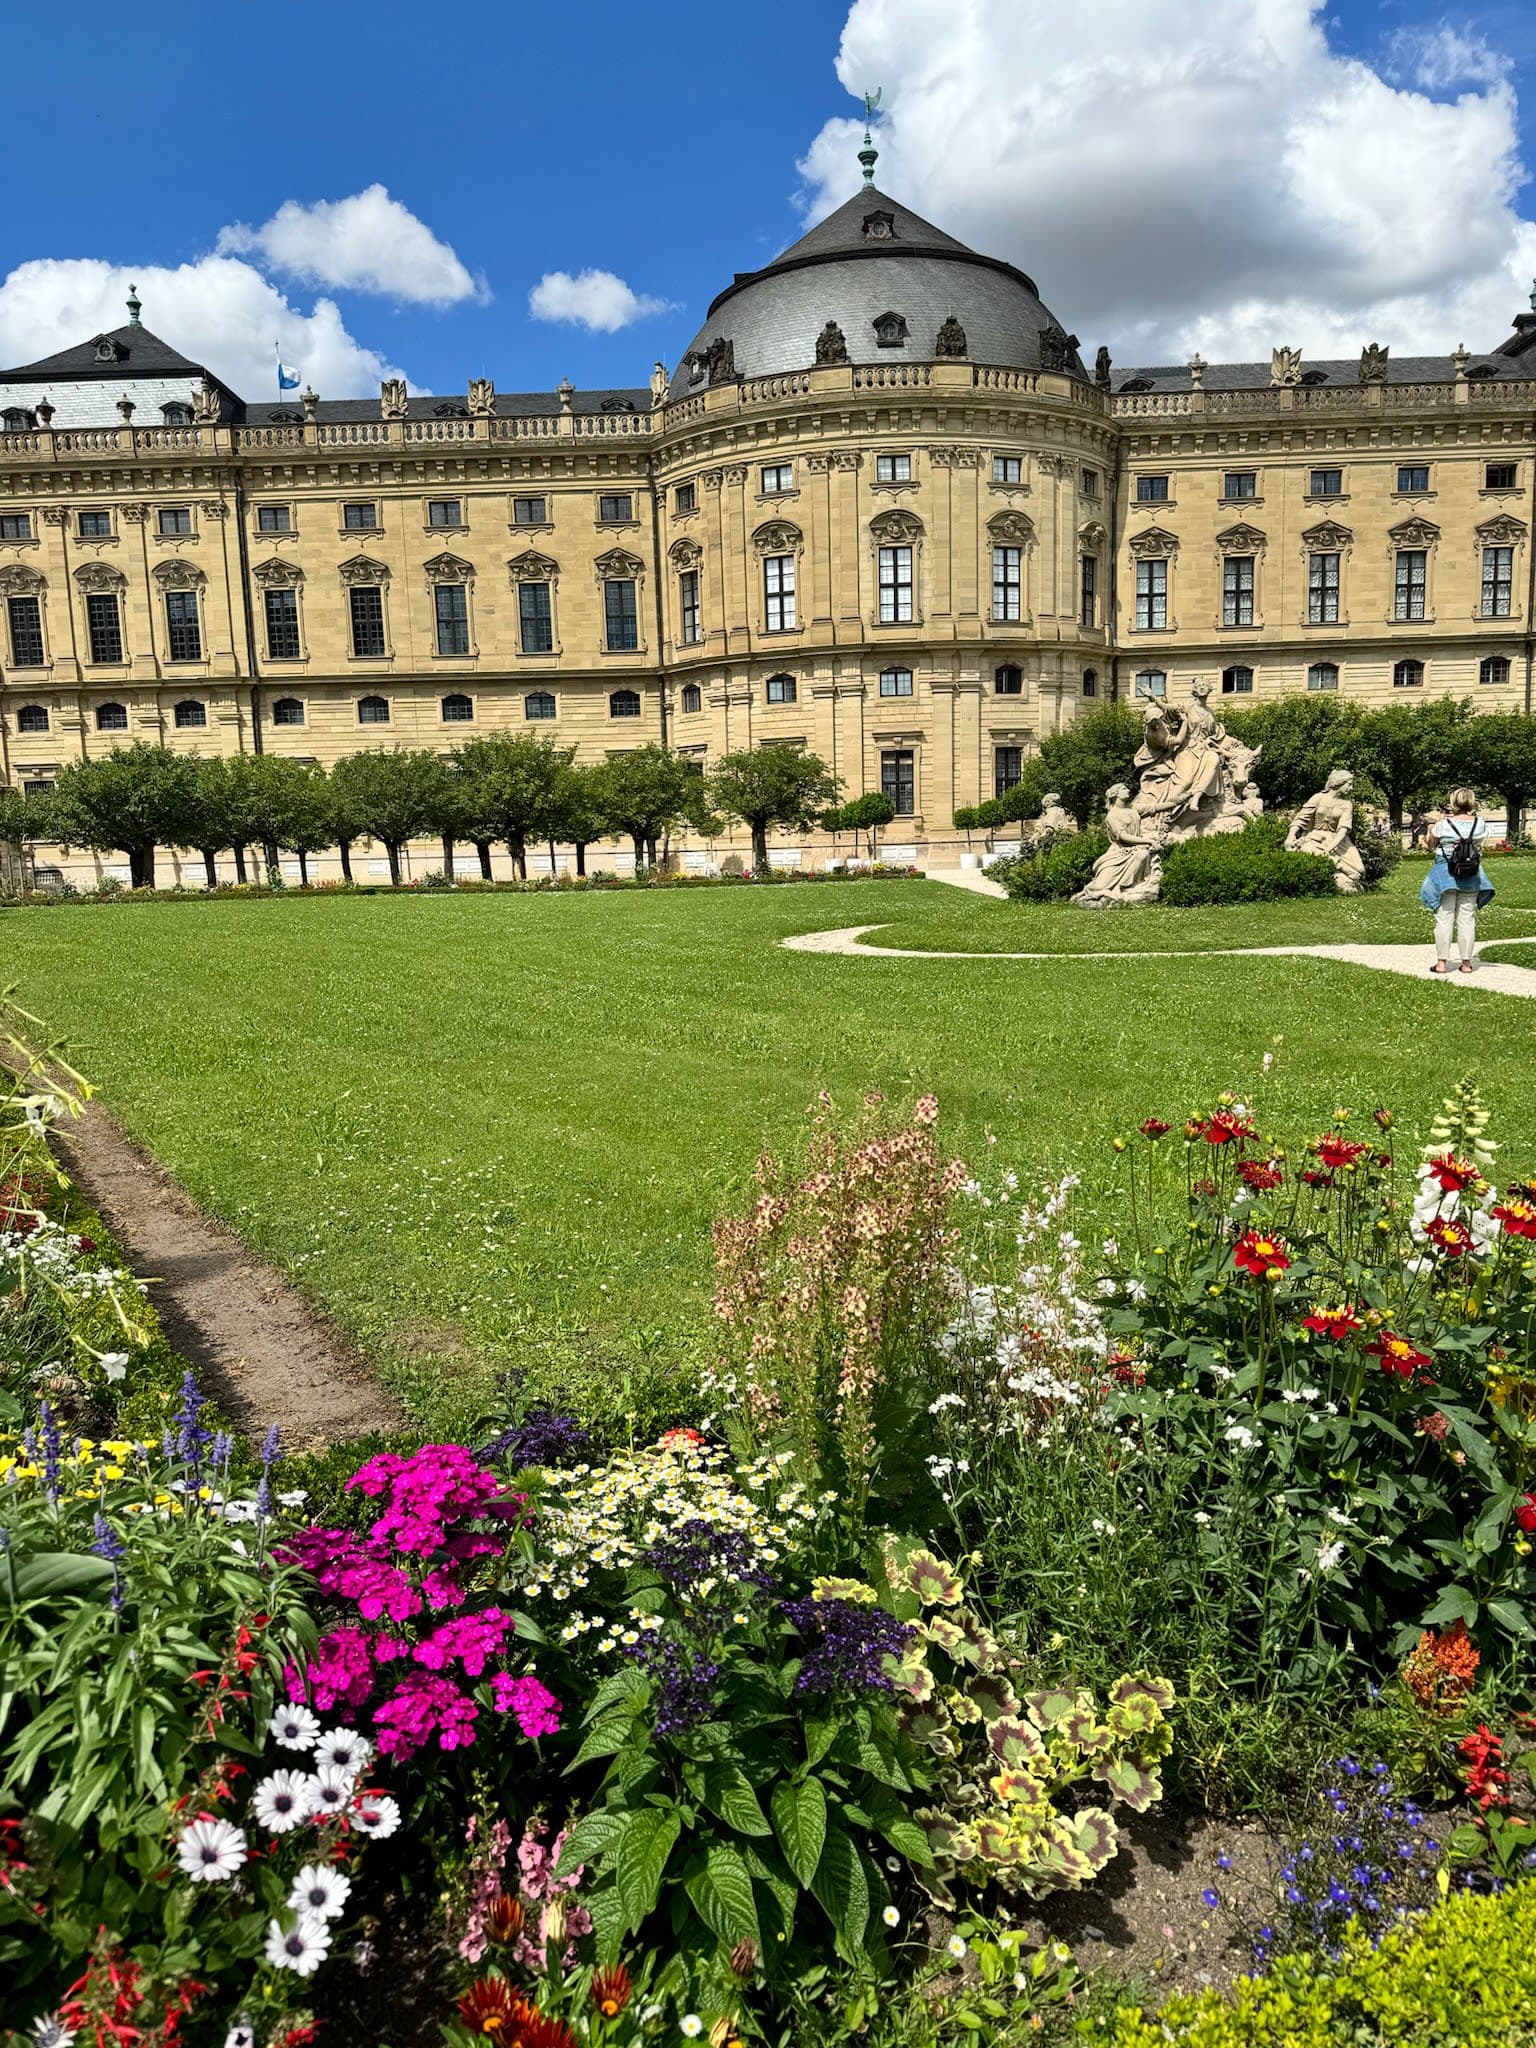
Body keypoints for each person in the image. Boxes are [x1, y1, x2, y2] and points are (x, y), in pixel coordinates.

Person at [1420, 786, 1494, 975]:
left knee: (1444, 918)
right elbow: (1478, 845)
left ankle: (1441, 964)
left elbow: (1431, 845)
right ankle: (1467, 964)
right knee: (1467, 919)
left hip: (1445, 873)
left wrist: (1431, 831)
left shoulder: (1443, 825)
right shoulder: (1479, 823)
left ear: (1453, 802)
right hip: (1471, 874)